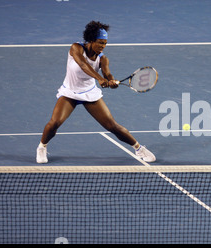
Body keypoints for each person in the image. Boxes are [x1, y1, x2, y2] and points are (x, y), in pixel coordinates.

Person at [36, 21, 155, 164]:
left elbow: (108, 75)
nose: (102, 46)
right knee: (54, 123)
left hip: (90, 94)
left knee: (112, 126)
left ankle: (139, 148)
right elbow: (82, 64)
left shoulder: (103, 59)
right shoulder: (76, 48)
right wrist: (99, 79)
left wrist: (112, 82)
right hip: (69, 93)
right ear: (91, 40)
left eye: (105, 43)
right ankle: (42, 147)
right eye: (100, 43)